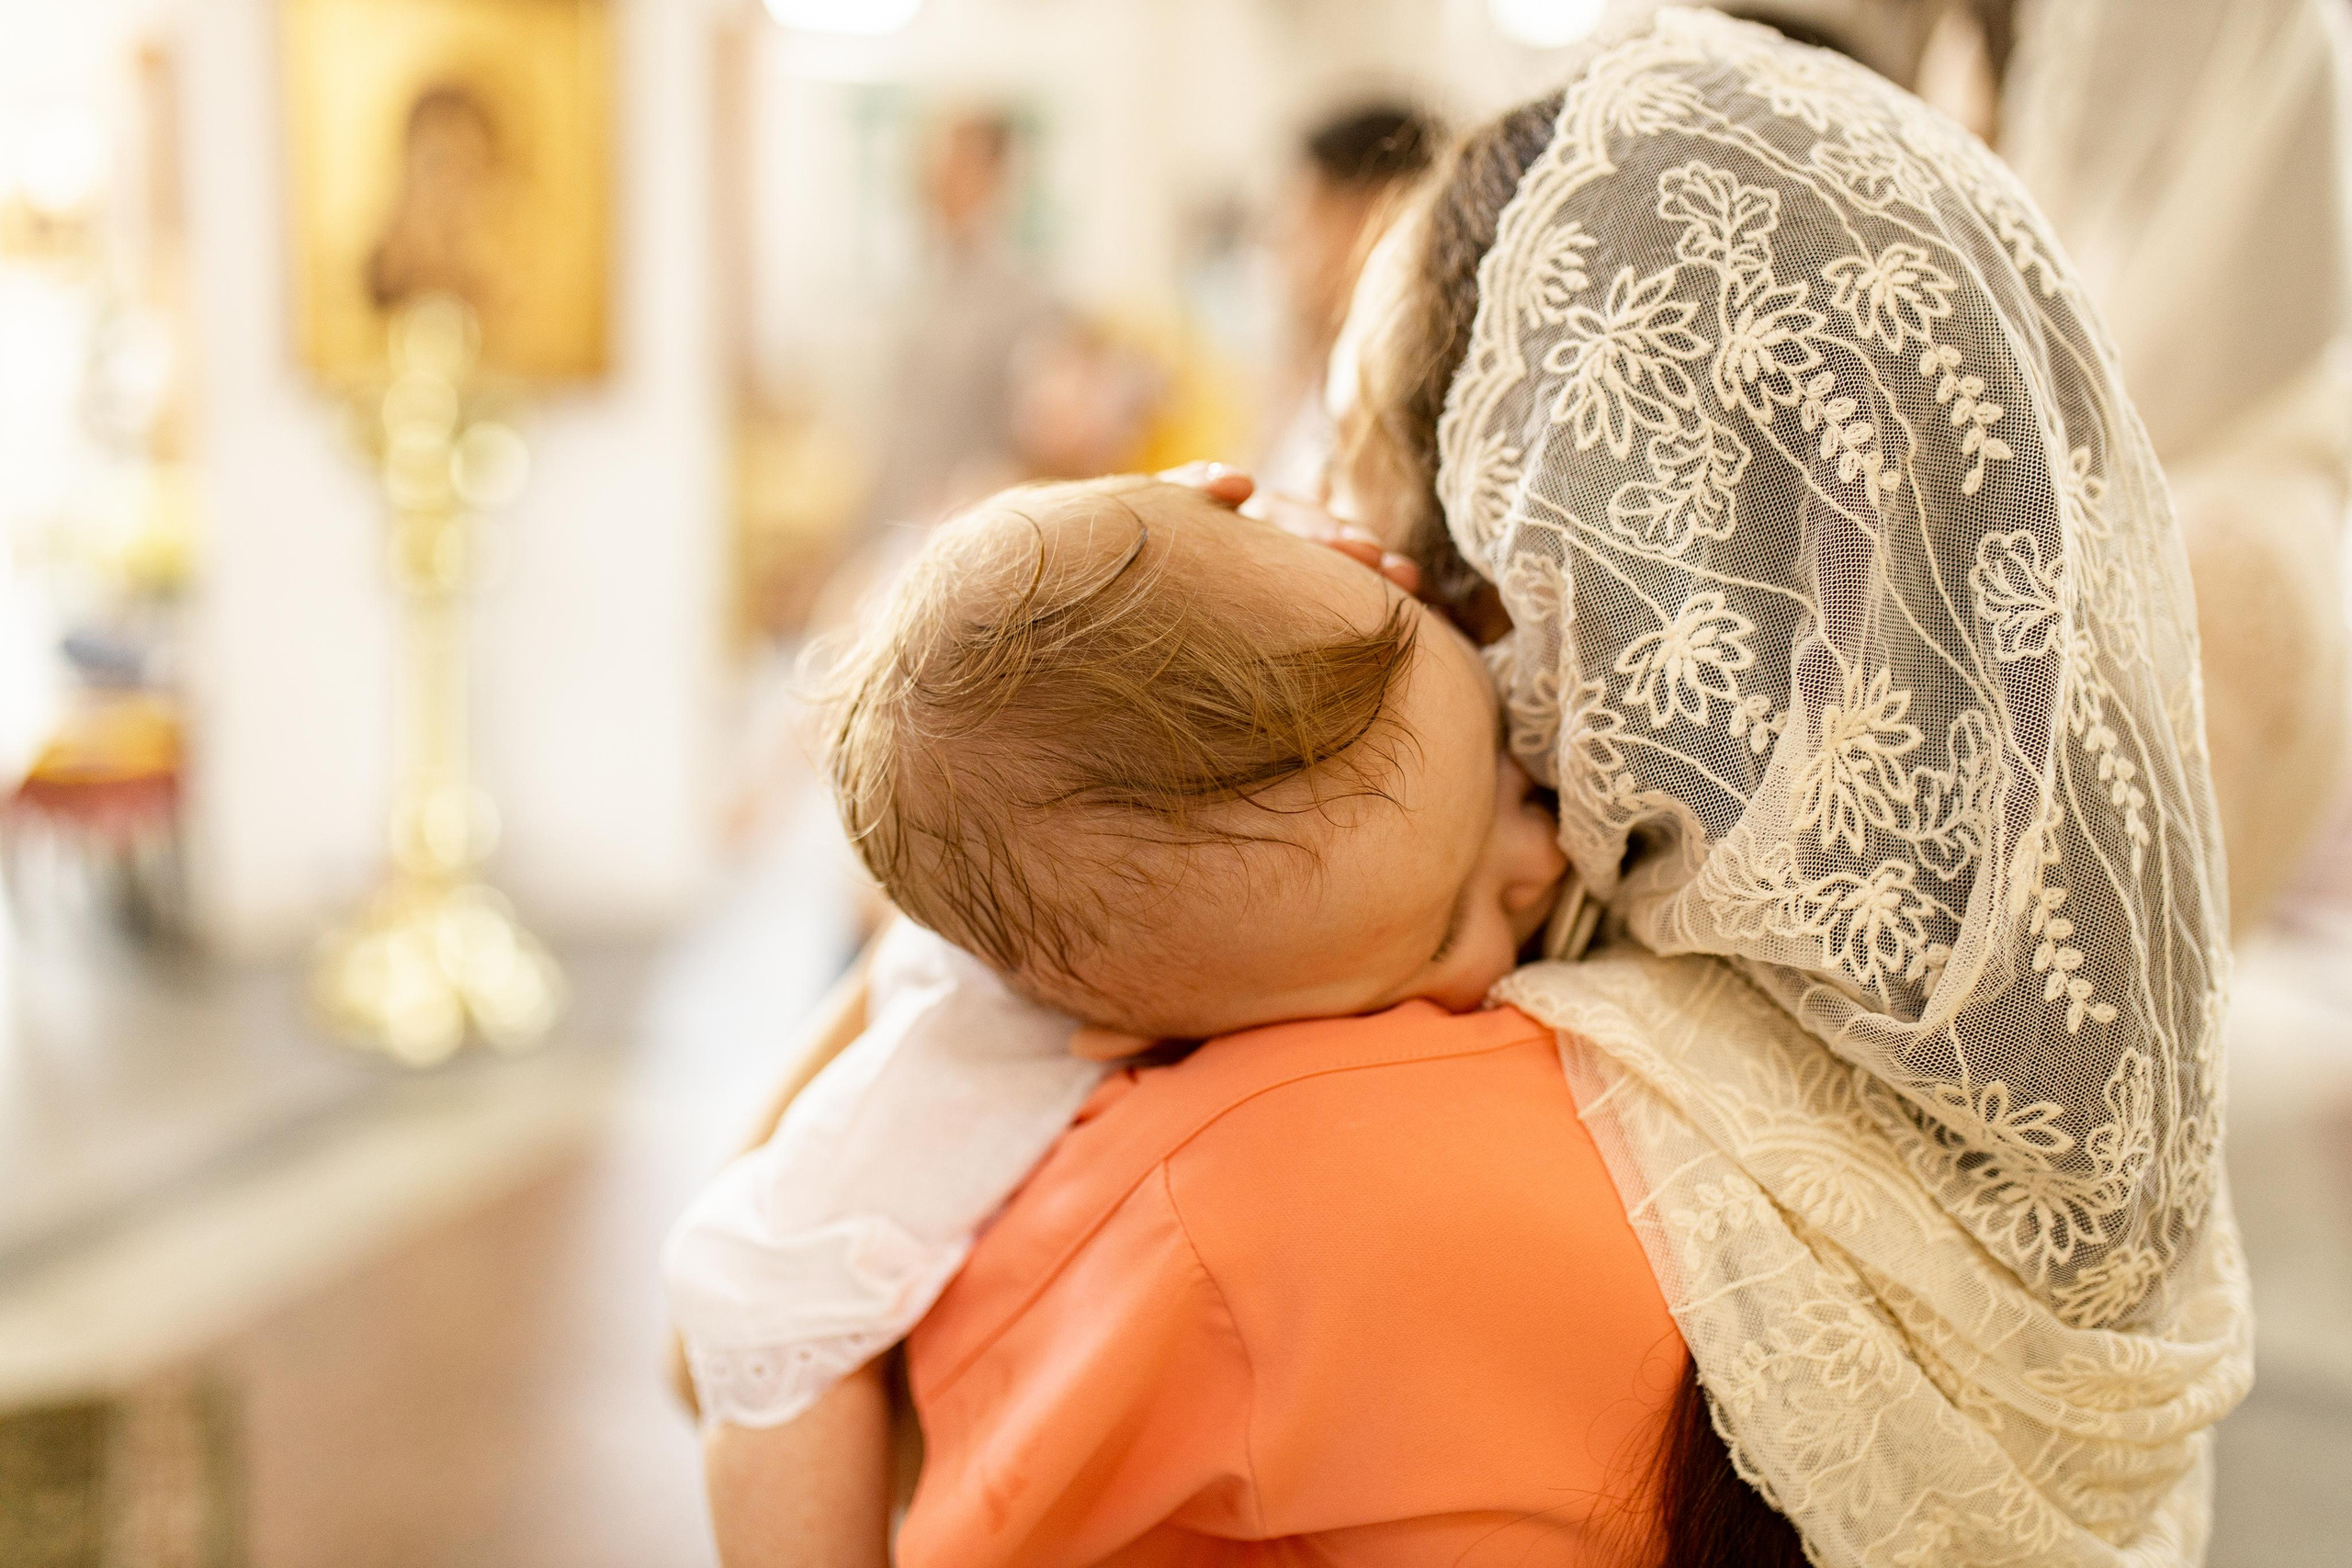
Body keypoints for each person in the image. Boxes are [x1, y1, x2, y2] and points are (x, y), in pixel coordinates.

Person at [673, 14, 2249, 1565]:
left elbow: (730, 1353)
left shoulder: (1264, 1166)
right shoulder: (2069, 1152)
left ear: (1546, 573)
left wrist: (940, 948)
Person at [1256, 103, 1442, 497]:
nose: (1279, 244)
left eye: (1304, 216)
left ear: (1376, 212)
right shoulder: (1306, 380)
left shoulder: (1411, 407)